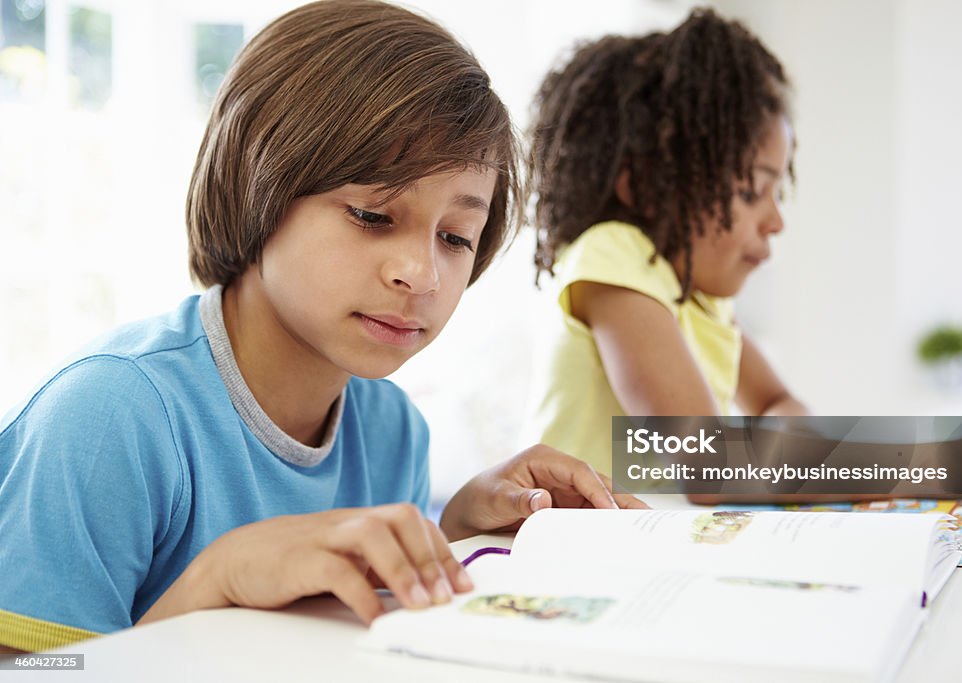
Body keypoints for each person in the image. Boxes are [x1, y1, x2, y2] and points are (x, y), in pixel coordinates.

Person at [0, 0, 643, 654]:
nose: (422, 273)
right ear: (260, 180)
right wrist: (217, 579)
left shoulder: (392, 430)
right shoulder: (107, 418)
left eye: (456, 236)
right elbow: (39, 671)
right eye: (372, 215)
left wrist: (456, 528)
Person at [525, 9, 808, 477]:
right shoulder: (613, 256)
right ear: (644, 185)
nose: (775, 221)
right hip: (570, 542)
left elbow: (778, 401)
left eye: (778, 193)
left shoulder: (699, 297)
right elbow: (709, 463)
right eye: (750, 192)